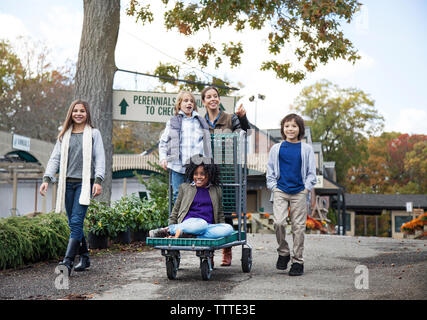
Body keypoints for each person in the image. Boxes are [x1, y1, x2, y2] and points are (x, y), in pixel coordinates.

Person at [39, 99, 105, 275]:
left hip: (85, 184)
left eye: (82, 111)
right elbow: (55, 159)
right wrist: (47, 178)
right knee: (73, 223)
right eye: (75, 110)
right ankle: (84, 256)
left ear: (87, 114)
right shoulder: (64, 135)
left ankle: (67, 262)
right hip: (66, 184)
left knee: (76, 222)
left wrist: (98, 181)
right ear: (71, 113)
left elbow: (100, 158)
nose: (78, 114)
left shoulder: (94, 134)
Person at [201, 86, 251, 266]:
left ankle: (227, 248)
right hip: (207, 170)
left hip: (228, 169)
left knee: (226, 209)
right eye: (208, 97)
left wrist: (243, 118)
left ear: (219, 99)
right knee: (208, 209)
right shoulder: (200, 121)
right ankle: (209, 251)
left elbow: (245, 133)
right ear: (204, 101)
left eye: (215, 96)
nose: (212, 99)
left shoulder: (231, 118)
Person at [266, 113, 316, 276]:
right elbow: (271, 171)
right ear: (283, 129)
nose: (290, 129)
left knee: (298, 227)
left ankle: (297, 261)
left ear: (300, 129)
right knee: (279, 222)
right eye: (287, 126)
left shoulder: (306, 149)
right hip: (280, 190)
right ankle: (283, 252)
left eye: (294, 126)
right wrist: (273, 187)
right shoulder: (276, 148)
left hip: (299, 192)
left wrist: (306, 189)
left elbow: (311, 173)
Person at [149, 157, 233, 242]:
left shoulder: (216, 190)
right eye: (195, 174)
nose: (198, 177)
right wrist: (171, 225)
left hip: (208, 226)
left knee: (228, 229)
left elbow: (220, 213)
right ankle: (168, 230)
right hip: (190, 223)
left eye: (202, 174)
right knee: (201, 225)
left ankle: (191, 236)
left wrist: (221, 228)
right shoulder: (185, 188)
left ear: (210, 174)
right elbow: (175, 210)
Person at [159, 91, 212, 203]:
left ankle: (191, 219)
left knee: (195, 195)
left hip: (195, 167)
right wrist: (163, 158)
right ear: (179, 104)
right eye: (186, 101)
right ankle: (179, 220)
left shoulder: (200, 122)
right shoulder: (173, 122)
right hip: (177, 166)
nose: (189, 103)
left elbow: (206, 145)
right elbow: (163, 142)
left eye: (191, 101)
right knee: (178, 195)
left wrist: (208, 163)